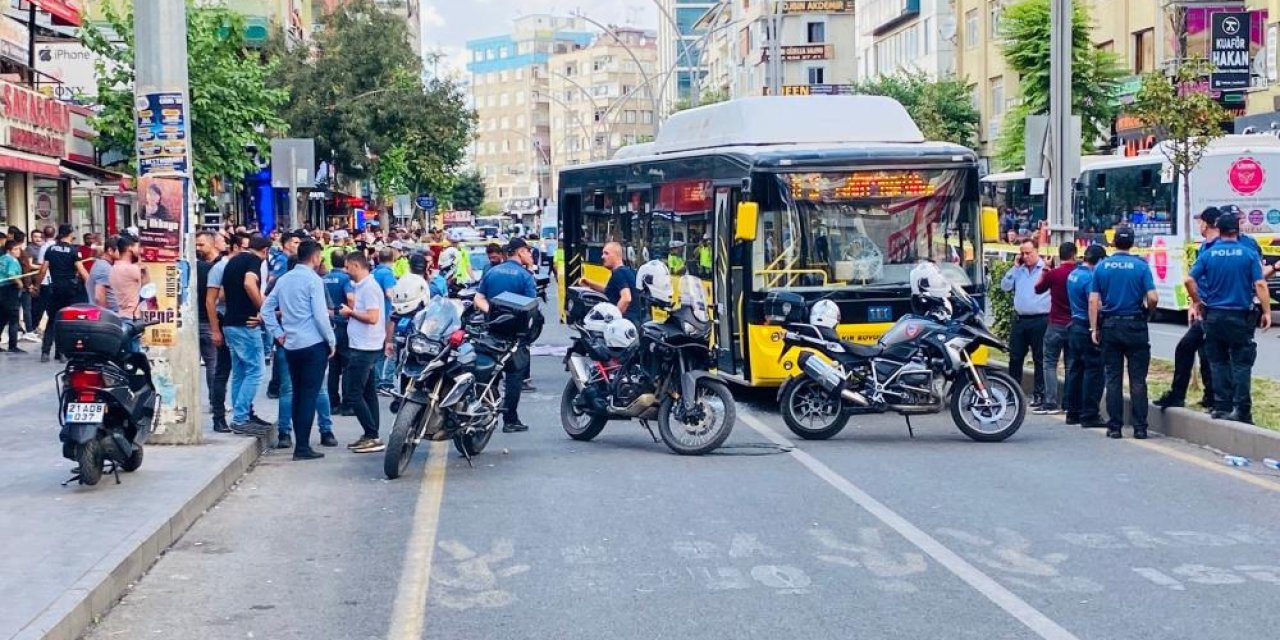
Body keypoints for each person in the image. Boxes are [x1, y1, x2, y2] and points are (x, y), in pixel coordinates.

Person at [1186, 212, 1271, 424]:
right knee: (1241, 363)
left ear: (1219, 230)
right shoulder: (1248, 254)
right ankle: (1241, 410)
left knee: (1218, 361)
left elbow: (1189, 280)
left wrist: (1197, 301)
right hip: (1240, 315)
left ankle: (1221, 406)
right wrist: (1267, 311)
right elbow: (1260, 284)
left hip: (1214, 314)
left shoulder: (1208, 254)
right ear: (1238, 230)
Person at [261, 240, 337, 460]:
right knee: (309, 395)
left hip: (291, 344)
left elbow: (266, 309)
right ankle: (302, 447)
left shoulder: (283, 280)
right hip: (313, 344)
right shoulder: (314, 280)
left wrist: (278, 333)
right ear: (315, 257)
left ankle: (300, 443)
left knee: (296, 393)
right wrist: (331, 340)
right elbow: (321, 316)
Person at [1089, 225, 1158, 439]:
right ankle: (1140, 428)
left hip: (1111, 326)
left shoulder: (1102, 267)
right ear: (1133, 243)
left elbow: (1093, 300)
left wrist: (1094, 328)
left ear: (1113, 242)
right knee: (1138, 379)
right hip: (1136, 325)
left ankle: (1115, 427)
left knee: (1113, 378)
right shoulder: (1141, 266)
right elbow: (1153, 297)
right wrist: (1148, 311)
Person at [475, 237, 538, 433]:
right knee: (514, 376)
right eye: (527, 251)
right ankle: (510, 419)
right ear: (519, 253)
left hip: (491, 331)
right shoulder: (525, 276)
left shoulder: (492, 272)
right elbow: (531, 306)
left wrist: (491, 314)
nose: (529, 254)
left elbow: (478, 298)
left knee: (489, 372)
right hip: (515, 334)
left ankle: (485, 409)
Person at [223, 236, 272, 436]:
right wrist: (263, 310)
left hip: (231, 322)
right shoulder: (254, 261)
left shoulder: (233, 260)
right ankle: (241, 418)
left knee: (240, 372)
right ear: (265, 250)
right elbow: (249, 284)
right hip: (246, 323)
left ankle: (241, 414)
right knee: (256, 370)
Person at [340, 251, 386, 453]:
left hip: (365, 347)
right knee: (368, 392)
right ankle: (372, 433)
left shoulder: (369, 288)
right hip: (363, 344)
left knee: (353, 393)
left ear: (356, 266)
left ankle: (371, 433)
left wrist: (350, 313)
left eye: (348, 266)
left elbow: (373, 317)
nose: (345, 270)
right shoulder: (362, 286)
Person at [999, 239, 1050, 407]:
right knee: (1015, 358)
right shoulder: (1018, 271)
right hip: (1020, 320)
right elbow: (1005, 287)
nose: (1025, 257)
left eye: (1029, 253)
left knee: (1039, 358)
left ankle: (1039, 394)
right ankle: (1013, 393)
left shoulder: (1046, 269)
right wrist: (1014, 267)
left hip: (1040, 320)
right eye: (1023, 253)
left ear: (1037, 251)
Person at [1032, 241, 1078, 415]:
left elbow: (1037, 288)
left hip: (1056, 324)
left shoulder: (1054, 274)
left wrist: (1045, 269)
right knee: (1071, 365)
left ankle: (1051, 402)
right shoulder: (1079, 274)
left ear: (1060, 255)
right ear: (1074, 254)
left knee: (1050, 363)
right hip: (1074, 324)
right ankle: (1068, 403)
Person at [1064, 244, 1106, 428]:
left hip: (1074, 325)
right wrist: (1094, 328)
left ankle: (1072, 412)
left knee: (1075, 370)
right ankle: (1089, 414)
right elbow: (1093, 303)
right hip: (1085, 326)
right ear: (1100, 260)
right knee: (1093, 370)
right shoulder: (1090, 278)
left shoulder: (1074, 274)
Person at [206, 233, 245, 433]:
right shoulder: (220, 268)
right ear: (235, 248)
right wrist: (215, 330)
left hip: (240, 322)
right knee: (223, 370)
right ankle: (218, 417)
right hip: (223, 321)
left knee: (244, 370)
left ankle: (244, 412)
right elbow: (211, 300)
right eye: (244, 248)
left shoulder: (245, 266)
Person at [35, 224, 83, 363]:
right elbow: (81, 270)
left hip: (54, 288)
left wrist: (36, 286)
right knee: (65, 321)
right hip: (68, 290)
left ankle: (45, 352)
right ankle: (61, 353)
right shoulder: (73, 251)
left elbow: (43, 270)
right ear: (70, 234)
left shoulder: (51, 249)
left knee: (52, 320)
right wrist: (90, 284)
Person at [578, 241, 646, 325]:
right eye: (603, 253)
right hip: (636, 322)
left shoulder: (619, 273)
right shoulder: (629, 271)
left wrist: (612, 320)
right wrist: (589, 284)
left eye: (606, 253)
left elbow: (626, 298)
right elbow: (609, 290)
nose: (602, 257)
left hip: (626, 324)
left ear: (616, 255)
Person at [323, 250, 354, 415]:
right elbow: (350, 299)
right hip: (343, 324)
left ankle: (332, 402)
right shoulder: (346, 279)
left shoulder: (323, 279)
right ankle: (347, 404)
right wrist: (353, 313)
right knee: (347, 366)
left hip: (328, 325)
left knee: (333, 367)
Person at [85, 235, 120, 311]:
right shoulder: (104, 268)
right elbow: (99, 298)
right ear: (110, 251)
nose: (123, 253)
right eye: (121, 250)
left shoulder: (103, 265)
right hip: (110, 317)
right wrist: (106, 319)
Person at [0, 239, 22, 353]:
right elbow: (11, 275)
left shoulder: (1, 259)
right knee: (14, 318)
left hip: (1, 289)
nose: (18, 252)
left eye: (19, 249)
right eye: (16, 249)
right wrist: (20, 284)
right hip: (9, 290)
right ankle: (13, 345)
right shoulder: (12, 260)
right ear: (9, 250)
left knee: (2, 318)